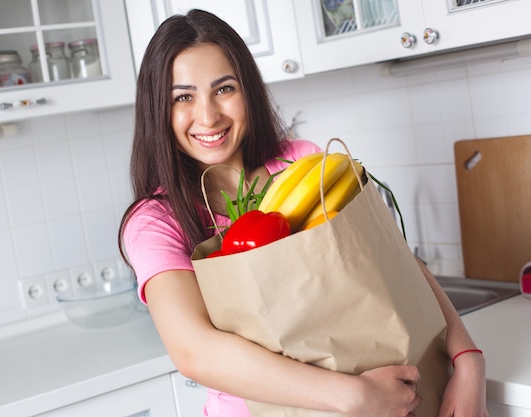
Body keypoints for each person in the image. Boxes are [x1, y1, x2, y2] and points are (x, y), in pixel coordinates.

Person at [119, 9, 488, 417]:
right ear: (158, 109)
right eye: (183, 97)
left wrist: (468, 358)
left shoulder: (302, 163)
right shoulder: (156, 221)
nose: (208, 116)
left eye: (224, 89)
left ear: (248, 91)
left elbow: (395, 262)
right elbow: (194, 350)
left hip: (388, 396)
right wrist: (354, 396)